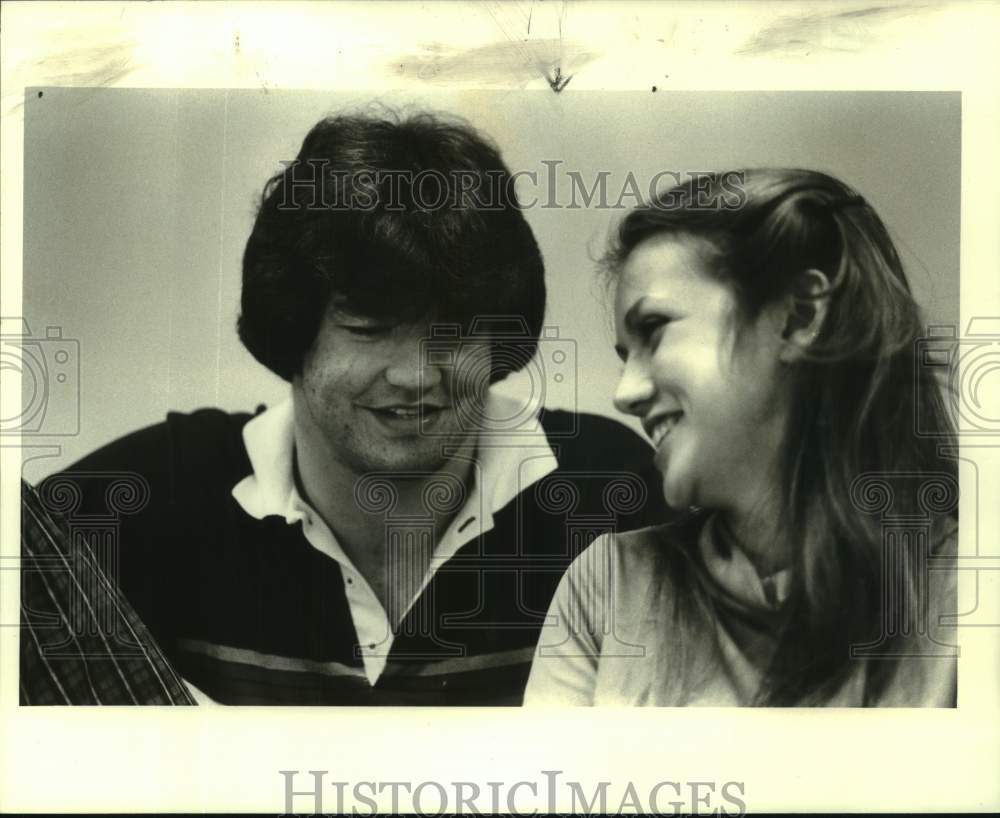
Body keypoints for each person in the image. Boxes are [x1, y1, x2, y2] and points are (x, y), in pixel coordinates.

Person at [20, 108, 668, 705]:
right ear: (291, 332)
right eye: (369, 327)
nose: (417, 375)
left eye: (457, 330)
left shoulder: (613, 494)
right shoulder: (136, 503)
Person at [525, 168, 959, 707]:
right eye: (623, 356)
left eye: (654, 331)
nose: (625, 393)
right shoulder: (606, 584)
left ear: (798, 317)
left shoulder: (968, 593)